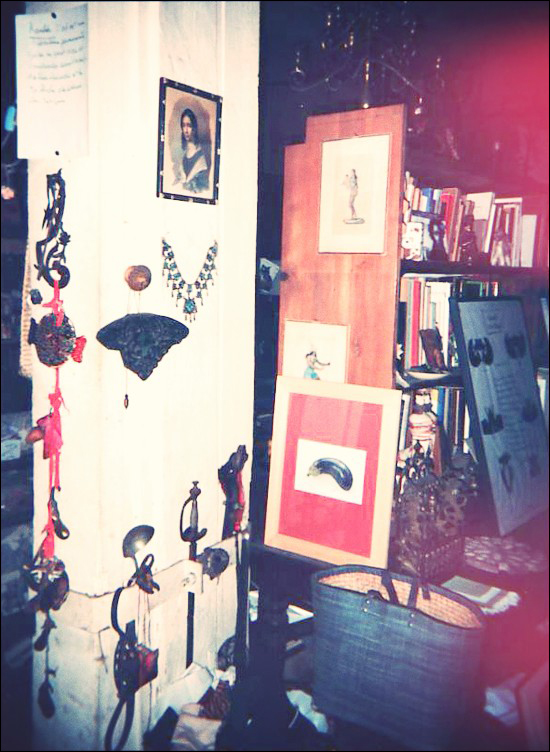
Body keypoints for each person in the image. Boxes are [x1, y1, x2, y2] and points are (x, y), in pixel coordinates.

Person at [179, 108, 209, 193]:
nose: (186, 130)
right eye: (183, 125)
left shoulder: (200, 158)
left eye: (189, 125)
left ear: (194, 128)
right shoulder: (184, 156)